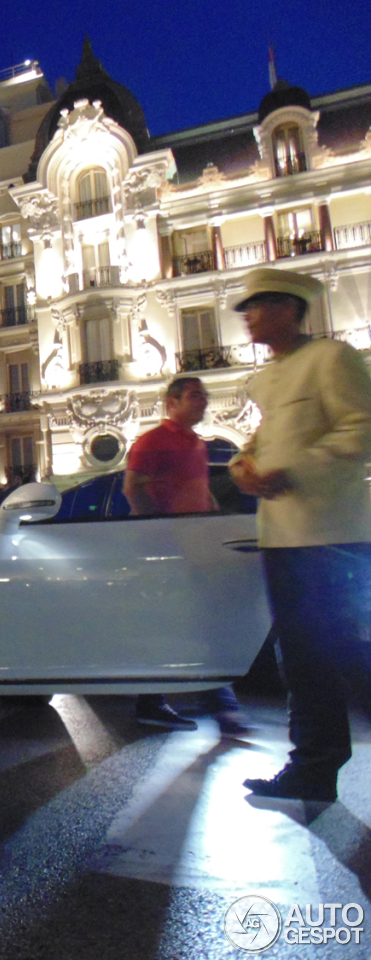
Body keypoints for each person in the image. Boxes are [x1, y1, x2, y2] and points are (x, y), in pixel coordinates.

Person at [228, 268, 371, 803]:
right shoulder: (266, 378)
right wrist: (243, 466)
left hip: (331, 534)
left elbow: (362, 428)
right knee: (304, 657)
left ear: (289, 308)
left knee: (346, 652)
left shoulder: (332, 359)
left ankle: (314, 764)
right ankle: (312, 767)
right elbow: (260, 439)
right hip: (283, 537)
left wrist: (297, 470)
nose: (247, 316)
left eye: (257, 306)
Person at [123, 375, 253, 736]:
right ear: (172, 403)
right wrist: (164, 534)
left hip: (198, 548)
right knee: (200, 622)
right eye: (195, 396)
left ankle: (155, 702)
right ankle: (222, 707)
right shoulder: (152, 442)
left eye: (204, 395)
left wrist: (213, 519)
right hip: (173, 552)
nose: (203, 401)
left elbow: (199, 492)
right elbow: (133, 488)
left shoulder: (197, 444)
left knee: (188, 623)